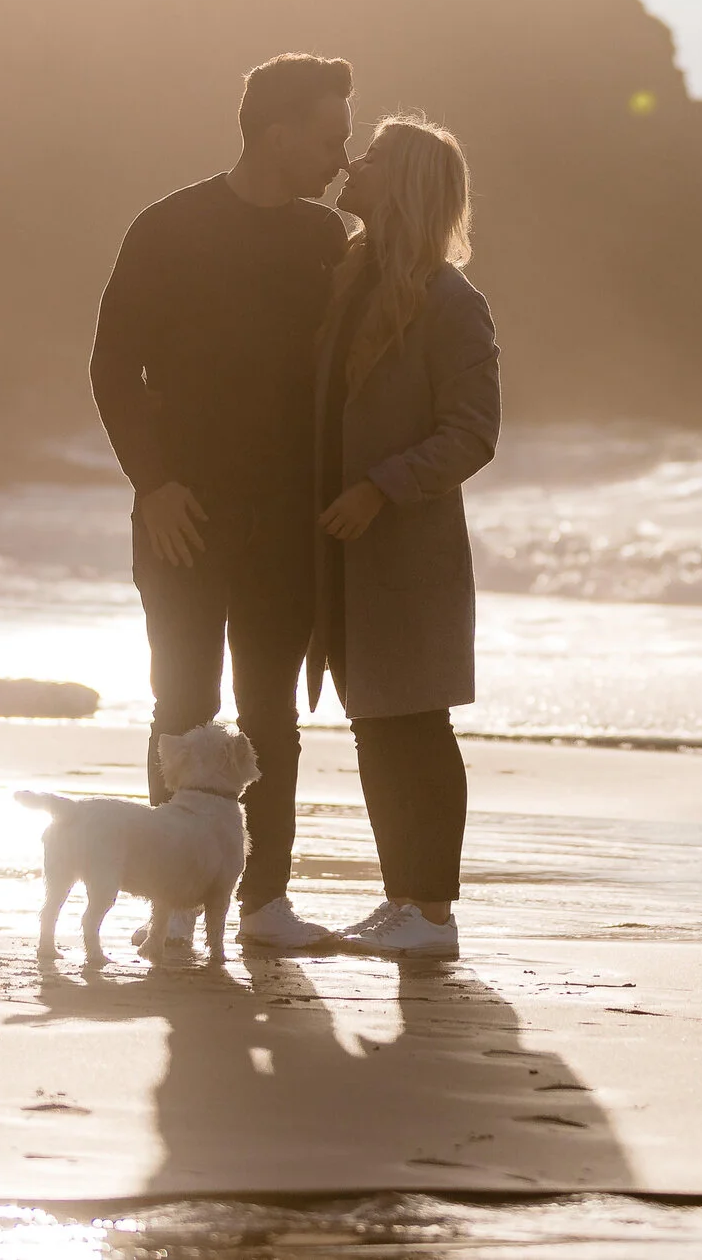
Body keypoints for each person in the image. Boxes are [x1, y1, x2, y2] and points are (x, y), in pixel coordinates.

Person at [90, 54, 353, 953]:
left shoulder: (329, 242)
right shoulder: (169, 228)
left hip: (286, 520)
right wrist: (153, 484)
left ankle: (264, 901)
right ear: (277, 136)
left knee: (270, 710)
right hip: (183, 517)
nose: (341, 158)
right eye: (329, 138)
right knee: (183, 707)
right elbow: (113, 370)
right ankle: (170, 904)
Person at [309, 115, 499, 961]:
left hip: (407, 549)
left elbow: (473, 432)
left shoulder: (453, 303)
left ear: (408, 183)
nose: (355, 163)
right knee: (376, 725)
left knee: (417, 723)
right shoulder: (344, 278)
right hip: (342, 547)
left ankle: (434, 910)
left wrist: (379, 489)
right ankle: (402, 898)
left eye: (375, 158)